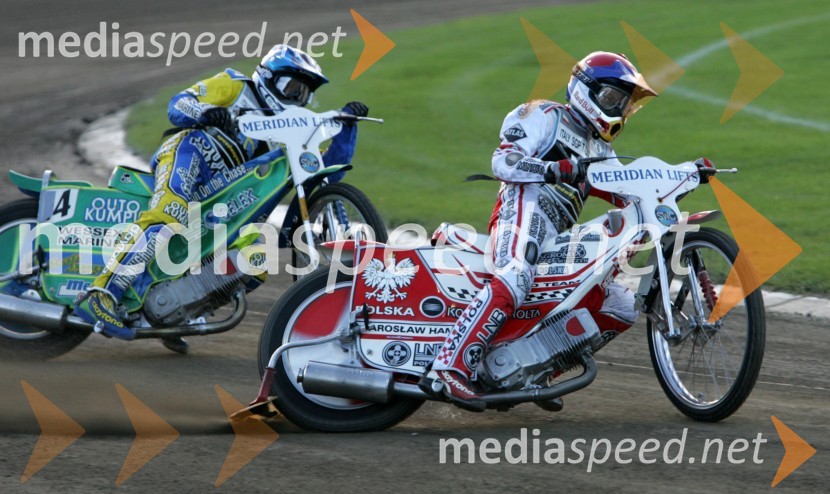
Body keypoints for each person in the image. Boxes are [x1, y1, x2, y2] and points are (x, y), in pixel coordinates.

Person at [74, 44, 369, 352]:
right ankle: (101, 293)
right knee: (169, 215)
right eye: (291, 87)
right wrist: (207, 112)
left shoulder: (291, 127)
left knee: (252, 260)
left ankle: (174, 315)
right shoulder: (234, 85)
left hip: (223, 195)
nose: (296, 98)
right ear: (268, 77)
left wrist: (347, 128)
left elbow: (322, 175)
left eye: (303, 93)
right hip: (190, 153)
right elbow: (179, 104)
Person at [420, 52, 659, 411]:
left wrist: (678, 178)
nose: (620, 109)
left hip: (557, 235)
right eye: (613, 98)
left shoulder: (601, 148)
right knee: (515, 277)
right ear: (585, 90)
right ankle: (448, 367)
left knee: (620, 305)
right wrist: (552, 170)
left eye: (624, 103)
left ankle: (538, 368)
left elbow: (629, 191)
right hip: (522, 210)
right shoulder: (544, 115)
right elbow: (503, 161)